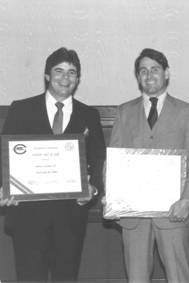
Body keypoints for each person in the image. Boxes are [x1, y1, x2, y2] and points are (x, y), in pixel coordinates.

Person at [0, 47, 106, 281]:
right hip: (28, 217)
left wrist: (94, 190)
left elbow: (99, 160)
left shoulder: (89, 115)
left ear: (78, 79)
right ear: (47, 75)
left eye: (72, 72)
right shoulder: (21, 109)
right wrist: (5, 187)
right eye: (59, 71)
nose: (65, 78)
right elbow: (4, 155)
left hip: (69, 220)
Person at [108, 48, 189, 283]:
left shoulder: (185, 111)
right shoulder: (124, 112)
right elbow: (114, 161)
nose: (149, 75)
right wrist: (111, 197)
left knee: (178, 277)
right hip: (133, 215)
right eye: (143, 71)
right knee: (136, 278)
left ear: (167, 73)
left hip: (174, 212)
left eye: (155, 69)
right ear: (138, 77)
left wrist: (188, 200)